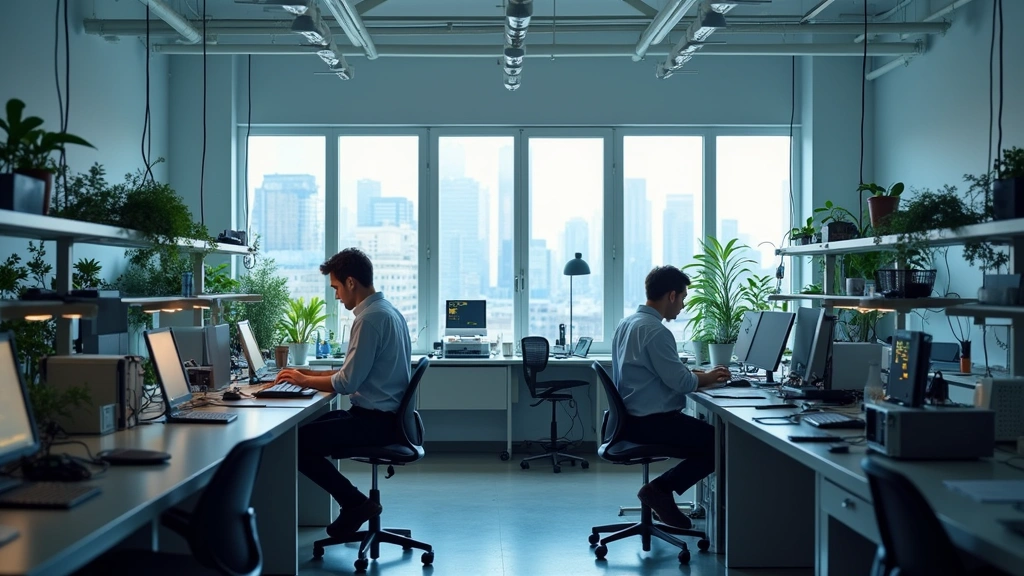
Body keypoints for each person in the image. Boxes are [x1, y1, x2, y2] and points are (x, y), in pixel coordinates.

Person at [274, 247, 412, 538]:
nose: (336, 295)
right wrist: (307, 375)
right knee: (303, 432)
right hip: (384, 418)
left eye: (336, 287)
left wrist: (304, 380)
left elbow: (347, 383)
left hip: (375, 423)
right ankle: (355, 503)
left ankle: (355, 503)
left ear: (351, 282)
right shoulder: (388, 311)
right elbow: (354, 372)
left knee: (295, 444)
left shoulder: (369, 319)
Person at [611, 265, 730, 529]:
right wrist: (710, 377)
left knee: (709, 439)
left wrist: (699, 374)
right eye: (683, 298)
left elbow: (657, 372)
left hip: (631, 420)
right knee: (720, 444)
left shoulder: (627, 323)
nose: (683, 306)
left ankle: (659, 494)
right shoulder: (656, 331)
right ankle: (659, 490)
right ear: (672, 295)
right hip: (653, 423)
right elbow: (683, 383)